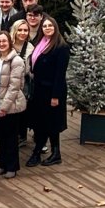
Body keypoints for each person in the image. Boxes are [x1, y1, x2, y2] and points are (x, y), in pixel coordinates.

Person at [26, 17, 69, 168]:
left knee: (50, 123)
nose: (47, 28)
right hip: (39, 90)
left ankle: (45, 153)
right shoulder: (40, 43)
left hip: (52, 91)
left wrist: (55, 96)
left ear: (55, 27)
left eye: (50, 25)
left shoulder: (61, 47)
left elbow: (59, 74)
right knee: (41, 122)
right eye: (45, 26)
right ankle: (47, 152)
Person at [0, 31, 27, 179]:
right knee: (1, 135)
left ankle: (12, 167)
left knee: (11, 136)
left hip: (11, 102)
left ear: (10, 42)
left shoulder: (16, 60)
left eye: (4, 41)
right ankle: (2, 165)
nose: (1, 44)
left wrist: (5, 107)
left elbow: (14, 86)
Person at [10, 18, 34, 145]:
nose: (23, 33)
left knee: (22, 110)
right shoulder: (7, 43)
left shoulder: (30, 47)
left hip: (23, 83)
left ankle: (22, 136)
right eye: (20, 30)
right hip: (7, 82)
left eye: (25, 30)